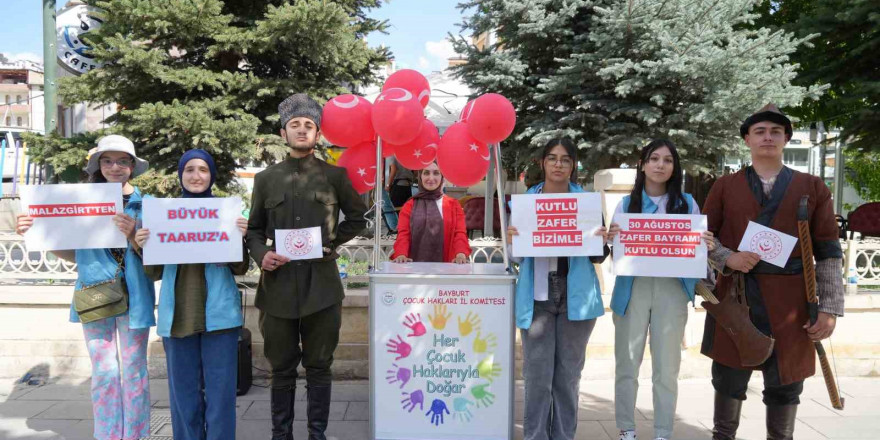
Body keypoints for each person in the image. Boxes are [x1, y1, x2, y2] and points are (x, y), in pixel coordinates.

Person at [702, 104, 844, 440]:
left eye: (776, 132)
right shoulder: (724, 186)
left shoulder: (813, 187)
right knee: (728, 380)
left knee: (786, 385)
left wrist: (829, 308)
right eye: (760, 131)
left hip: (792, 301)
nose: (768, 137)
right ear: (747, 140)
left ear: (786, 139)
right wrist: (728, 257)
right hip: (736, 297)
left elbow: (827, 251)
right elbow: (703, 239)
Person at [245, 93, 368, 440]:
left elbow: (358, 218)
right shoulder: (265, 179)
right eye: (294, 125)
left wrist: (332, 243)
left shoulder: (335, 176)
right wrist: (260, 255)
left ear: (317, 134)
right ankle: (280, 435)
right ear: (284, 134)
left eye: (308, 125)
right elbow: (253, 230)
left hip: (322, 290)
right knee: (281, 370)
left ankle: (318, 434)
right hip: (278, 288)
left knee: (319, 368)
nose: (301, 131)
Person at [16, 135, 155, 440]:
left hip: (136, 299)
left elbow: (156, 263)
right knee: (104, 373)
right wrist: (36, 232)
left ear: (132, 166)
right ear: (98, 165)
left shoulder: (148, 205)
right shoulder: (84, 202)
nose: (114, 167)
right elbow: (73, 253)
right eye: (107, 160)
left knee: (133, 372)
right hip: (95, 296)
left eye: (122, 161)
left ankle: (136, 436)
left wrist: (133, 234)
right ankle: (107, 436)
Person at [605, 139, 716, 440]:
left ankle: (663, 432)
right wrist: (610, 238)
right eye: (654, 159)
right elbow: (615, 253)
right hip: (632, 290)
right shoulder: (626, 205)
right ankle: (626, 429)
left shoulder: (688, 204)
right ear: (642, 164)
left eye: (667, 160)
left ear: (674, 167)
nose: (660, 165)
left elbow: (697, 251)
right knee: (627, 363)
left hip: (672, 291)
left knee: (667, 368)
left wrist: (705, 244)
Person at [134, 149, 249, 440]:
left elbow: (240, 266)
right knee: (183, 396)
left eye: (203, 170)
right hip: (177, 317)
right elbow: (154, 272)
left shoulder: (227, 213)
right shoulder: (162, 216)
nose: (196, 176)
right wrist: (143, 244)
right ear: (180, 175)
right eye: (189, 170)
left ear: (211, 176)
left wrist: (240, 237)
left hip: (220, 317)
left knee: (221, 396)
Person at [506, 138, 609, 440]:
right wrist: (513, 241)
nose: (558, 164)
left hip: (574, 298)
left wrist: (601, 240)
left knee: (567, 378)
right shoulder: (526, 202)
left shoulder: (587, 203)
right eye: (552, 158)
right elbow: (517, 257)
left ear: (573, 165)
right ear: (542, 163)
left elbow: (598, 256)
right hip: (537, 297)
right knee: (538, 379)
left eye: (565, 159)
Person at [390, 161, 470, 264]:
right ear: (420, 176)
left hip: (448, 267)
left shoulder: (453, 205)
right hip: (414, 268)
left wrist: (460, 254)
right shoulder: (409, 205)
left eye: (436, 173)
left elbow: (459, 233)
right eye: (426, 173)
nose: (431, 178)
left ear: (442, 176)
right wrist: (401, 254)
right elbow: (404, 234)